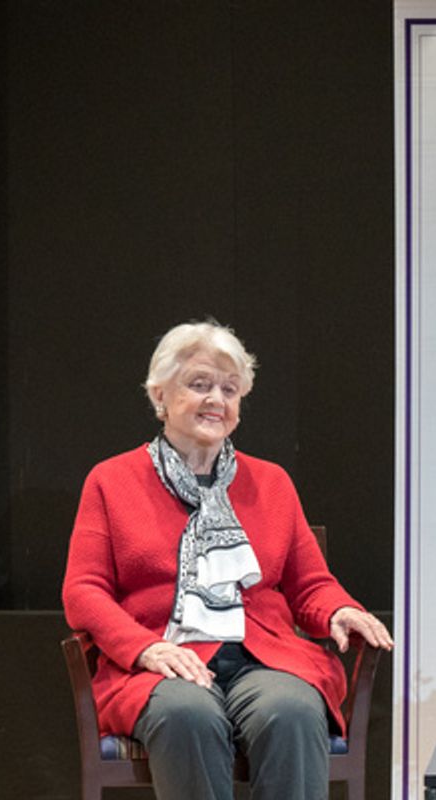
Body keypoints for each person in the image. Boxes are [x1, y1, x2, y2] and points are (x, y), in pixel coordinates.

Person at [62, 320, 394, 800]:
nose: (216, 399)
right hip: (162, 662)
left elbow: (309, 583)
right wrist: (144, 648)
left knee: (293, 710)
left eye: (229, 389)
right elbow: (83, 591)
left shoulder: (271, 482)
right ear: (160, 396)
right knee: (187, 715)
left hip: (264, 659)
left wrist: (339, 609)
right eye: (199, 385)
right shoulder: (111, 481)